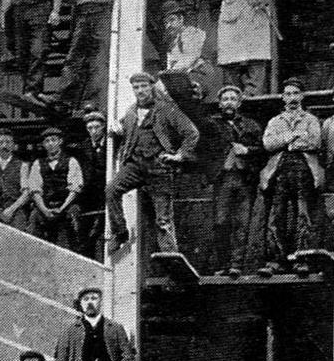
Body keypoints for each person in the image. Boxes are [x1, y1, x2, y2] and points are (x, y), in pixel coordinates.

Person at [106, 71, 199, 255]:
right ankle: (120, 232)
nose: (140, 91)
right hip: (135, 165)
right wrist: (116, 127)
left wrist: (180, 155)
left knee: (163, 220)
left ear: (151, 87)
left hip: (158, 167)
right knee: (111, 190)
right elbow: (123, 128)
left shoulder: (166, 109)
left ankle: (170, 256)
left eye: (144, 86)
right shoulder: (131, 112)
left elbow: (191, 132)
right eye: (136, 87)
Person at [42, 0, 117, 114]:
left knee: (98, 59)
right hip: (82, 19)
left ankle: (92, 101)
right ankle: (63, 97)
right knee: (74, 57)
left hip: (100, 19)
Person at [258, 76, 324, 277]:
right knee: (276, 215)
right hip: (279, 171)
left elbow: (314, 142)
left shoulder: (311, 120)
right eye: (288, 94)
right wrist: (292, 137)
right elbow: (268, 144)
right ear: (283, 98)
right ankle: (275, 260)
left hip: (304, 170)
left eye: (296, 93)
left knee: (303, 214)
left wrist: (288, 143)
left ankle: (300, 258)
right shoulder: (275, 121)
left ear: (302, 96)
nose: (292, 97)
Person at [208, 84, 263, 277]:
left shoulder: (251, 125)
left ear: (239, 103)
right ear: (220, 104)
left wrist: (247, 150)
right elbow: (204, 149)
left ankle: (236, 265)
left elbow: (262, 150)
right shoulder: (211, 125)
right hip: (222, 179)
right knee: (221, 222)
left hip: (245, 180)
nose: (229, 102)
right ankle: (222, 265)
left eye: (232, 99)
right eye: (225, 99)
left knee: (242, 222)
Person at [25, 127, 83, 251]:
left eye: (53, 140)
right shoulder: (38, 163)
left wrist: (61, 209)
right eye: (47, 141)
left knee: (72, 220)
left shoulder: (71, 161)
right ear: (44, 145)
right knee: (34, 218)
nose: (50, 144)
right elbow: (35, 191)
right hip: (45, 206)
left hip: (66, 205)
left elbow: (75, 190)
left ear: (60, 141)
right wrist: (45, 210)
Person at [162, 1, 221, 105]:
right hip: (181, 75)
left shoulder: (193, 33)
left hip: (200, 73)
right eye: (166, 23)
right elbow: (171, 64)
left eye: (172, 20)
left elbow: (190, 58)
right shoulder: (172, 42)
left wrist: (170, 75)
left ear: (181, 19)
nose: (169, 25)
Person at [75, 110, 108, 260]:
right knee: (83, 230)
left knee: (99, 230)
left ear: (104, 127)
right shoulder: (83, 147)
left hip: (105, 193)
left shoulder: (111, 145)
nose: (94, 132)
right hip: (88, 196)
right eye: (90, 128)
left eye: (97, 127)